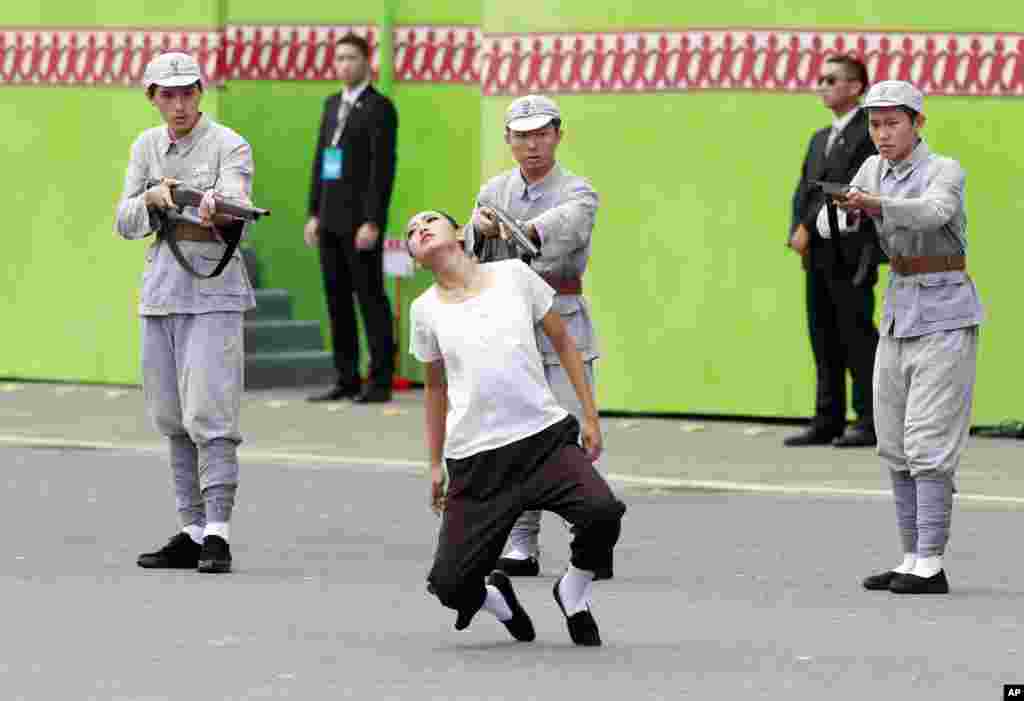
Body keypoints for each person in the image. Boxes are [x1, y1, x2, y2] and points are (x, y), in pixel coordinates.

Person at [406, 210, 625, 646]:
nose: (420, 230)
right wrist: (434, 464)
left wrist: (590, 415)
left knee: (602, 514)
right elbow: (434, 390)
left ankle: (573, 590)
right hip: (476, 461)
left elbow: (564, 340)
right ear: (414, 256)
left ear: (459, 234)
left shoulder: (512, 275)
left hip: (543, 441)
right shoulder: (424, 310)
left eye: (430, 221)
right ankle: (498, 599)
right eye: (411, 232)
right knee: (450, 586)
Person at [817, 80, 984, 595]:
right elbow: (831, 229)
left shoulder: (943, 169)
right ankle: (910, 555)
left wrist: (876, 205)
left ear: (917, 123)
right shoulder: (871, 169)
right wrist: (845, 208)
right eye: (875, 124)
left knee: (928, 441)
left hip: (944, 310)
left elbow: (935, 211)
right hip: (897, 311)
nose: (882, 134)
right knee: (893, 442)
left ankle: (932, 561)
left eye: (893, 123)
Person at [115, 52, 256, 573]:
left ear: (201, 92)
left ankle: (218, 530)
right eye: (167, 94)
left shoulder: (229, 144)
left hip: (213, 290)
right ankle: (191, 529)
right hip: (161, 290)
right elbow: (124, 221)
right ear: (152, 97)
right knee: (171, 416)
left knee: (210, 412)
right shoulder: (146, 146)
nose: (179, 104)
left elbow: (239, 202)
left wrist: (213, 207)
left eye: (187, 93)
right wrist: (153, 198)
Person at [463, 94, 600, 577]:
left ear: (559, 135)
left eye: (542, 134)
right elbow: (466, 251)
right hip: (509, 327)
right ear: (508, 140)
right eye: (522, 136)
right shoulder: (493, 189)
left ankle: (590, 539)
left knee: (571, 436)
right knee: (517, 438)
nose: (533, 145)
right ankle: (522, 544)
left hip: (561, 318)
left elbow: (562, 231)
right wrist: (478, 228)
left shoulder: (578, 191)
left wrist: (514, 227)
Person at [786, 55, 881, 448]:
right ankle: (828, 417)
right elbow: (805, 188)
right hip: (819, 254)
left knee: (856, 335)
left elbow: (843, 184)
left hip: (852, 251)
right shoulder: (819, 137)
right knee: (822, 335)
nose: (822, 85)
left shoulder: (867, 132)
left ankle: (871, 418)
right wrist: (797, 226)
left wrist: (807, 224)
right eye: (821, 79)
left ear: (856, 86)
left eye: (832, 79)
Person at [305, 33, 398, 404]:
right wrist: (313, 212)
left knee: (370, 298)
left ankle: (379, 381)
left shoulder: (380, 107)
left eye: (351, 58)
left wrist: (373, 220)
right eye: (339, 58)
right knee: (336, 300)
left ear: (366, 62)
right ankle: (346, 378)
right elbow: (319, 162)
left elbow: (382, 169)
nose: (344, 65)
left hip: (360, 223)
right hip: (328, 218)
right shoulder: (331, 105)